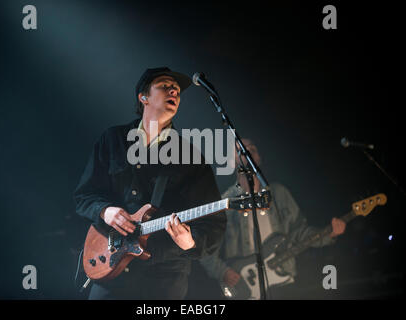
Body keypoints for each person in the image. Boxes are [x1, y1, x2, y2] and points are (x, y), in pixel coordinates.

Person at [73, 67, 227, 300]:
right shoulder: (113, 139)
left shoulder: (191, 157)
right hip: (111, 270)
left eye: (176, 90)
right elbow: (84, 196)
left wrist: (191, 242)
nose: (174, 91)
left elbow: (214, 225)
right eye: (165, 86)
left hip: (164, 279)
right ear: (143, 97)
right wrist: (106, 211)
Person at [200, 138, 346, 299]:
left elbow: (299, 233)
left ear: (259, 158)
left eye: (252, 149)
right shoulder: (225, 203)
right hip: (244, 289)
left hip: (283, 281)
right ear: (230, 162)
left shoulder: (279, 194)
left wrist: (328, 234)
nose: (247, 153)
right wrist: (223, 271)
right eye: (241, 150)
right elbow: (205, 249)